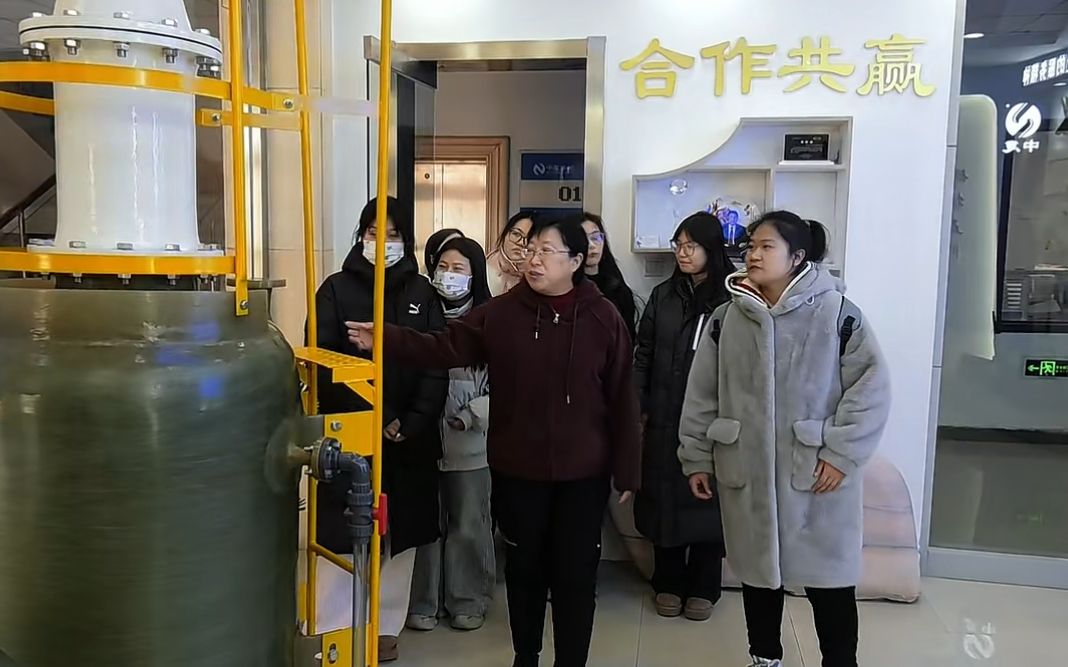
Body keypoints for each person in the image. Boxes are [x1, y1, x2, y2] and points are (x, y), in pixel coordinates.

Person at [346, 213, 642, 667]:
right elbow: (443, 346)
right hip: (518, 469)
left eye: (547, 251)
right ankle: (526, 655)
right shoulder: (503, 313)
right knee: (524, 571)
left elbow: (622, 396)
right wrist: (386, 338)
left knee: (575, 576)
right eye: (531, 249)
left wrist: (628, 467)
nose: (534, 259)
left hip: (582, 474)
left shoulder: (603, 317)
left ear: (575, 261)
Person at [678, 211, 891, 667]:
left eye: (766, 246)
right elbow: (701, 394)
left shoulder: (838, 314)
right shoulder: (726, 319)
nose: (753, 254)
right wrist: (696, 456)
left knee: (830, 584)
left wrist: (841, 454)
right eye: (751, 245)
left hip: (816, 473)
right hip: (747, 471)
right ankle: (764, 658)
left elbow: (871, 389)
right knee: (759, 577)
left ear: (797, 257)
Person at [313, 196, 448, 663]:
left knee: (399, 537)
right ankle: (335, 625)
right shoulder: (335, 290)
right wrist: (379, 414)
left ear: (406, 241)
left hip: (408, 441)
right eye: (375, 232)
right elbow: (323, 362)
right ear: (361, 235)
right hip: (352, 435)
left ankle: (386, 625)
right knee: (342, 532)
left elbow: (436, 361)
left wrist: (408, 422)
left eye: (393, 234)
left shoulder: (423, 293)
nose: (383, 242)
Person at [633, 211, 737, 622]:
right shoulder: (663, 295)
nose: (682, 252)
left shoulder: (732, 297)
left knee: (708, 501)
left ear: (712, 248)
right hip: (663, 416)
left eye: (691, 245)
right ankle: (668, 582)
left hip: (712, 420)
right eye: (678, 245)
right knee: (663, 500)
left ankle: (705, 586)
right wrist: (638, 402)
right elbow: (643, 352)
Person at [407, 236, 495, 633]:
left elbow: (510, 386)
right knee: (425, 525)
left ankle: (468, 599)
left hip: (471, 445)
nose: (448, 275)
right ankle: (422, 602)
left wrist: (471, 415)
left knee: (468, 524)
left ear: (475, 276)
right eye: (442, 267)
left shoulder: (490, 321)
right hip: (422, 442)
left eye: (458, 269)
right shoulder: (419, 315)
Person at [580, 212, 638, 343]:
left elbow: (627, 338)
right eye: (583, 238)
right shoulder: (566, 287)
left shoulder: (618, 288)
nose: (591, 245)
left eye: (596, 237)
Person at [487, 212, 534, 296]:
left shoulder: (538, 275)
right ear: (505, 234)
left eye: (529, 238)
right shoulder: (484, 269)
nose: (521, 243)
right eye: (516, 234)